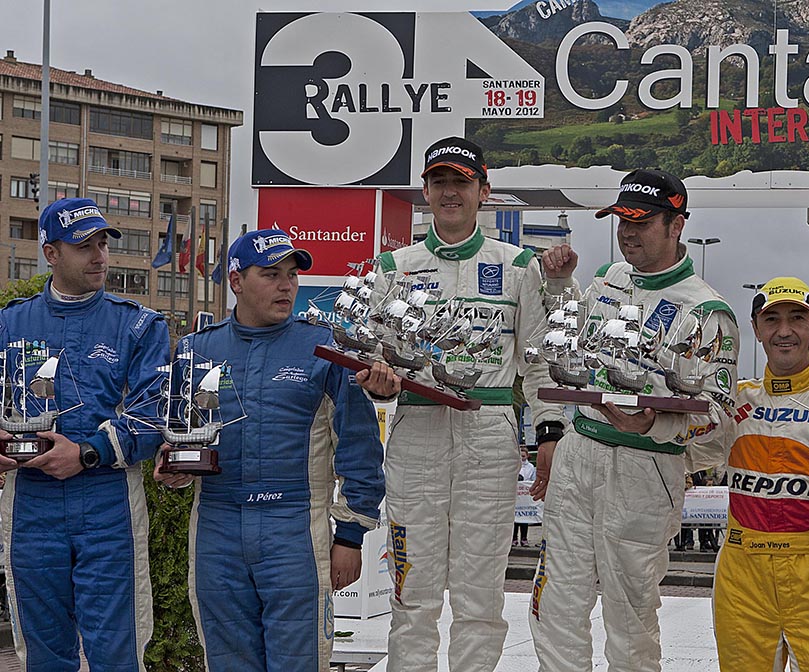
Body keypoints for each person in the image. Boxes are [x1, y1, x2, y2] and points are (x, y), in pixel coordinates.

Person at [358, 137, 566, 672]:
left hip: (490, 432)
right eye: (440, 182)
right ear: (425, 192)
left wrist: (548, 434)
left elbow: (540, 364)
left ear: (484, 192)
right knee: (413, 596)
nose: (450, 192)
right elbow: (369, 357)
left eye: (462, 183)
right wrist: (376, 383)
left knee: (480, 599)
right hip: (417, 431)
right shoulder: (391, 267)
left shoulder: (520, 266)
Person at [530, 169, 740, 672]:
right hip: (580, 453)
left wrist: (653, 426)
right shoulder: (605, 280)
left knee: (629, 620)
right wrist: (559, 284)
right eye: (621, 219)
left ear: (676, 225)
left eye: (641, 222)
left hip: (645, 469)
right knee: (554, 606)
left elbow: (720, 419)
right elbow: (568, 349)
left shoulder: (707, 310)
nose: (627, 232)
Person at [155, 229, 385, 671]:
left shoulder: (328, 349)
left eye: (292, 275)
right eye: (271, 274)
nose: (286, 285)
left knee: (298, 662)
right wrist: (173, 466)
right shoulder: (196, 349)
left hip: (294, 528)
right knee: (227, 662)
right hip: (217, 525)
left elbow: (359, 448)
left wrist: (351, 536)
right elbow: (181, 438)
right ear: (237, 281)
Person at [0, 198, 169, 670]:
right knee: (41, 651)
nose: (99, 256)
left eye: (102, 245)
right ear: (50, 253)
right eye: (83, 247)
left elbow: (157, 409)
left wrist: (88, 453)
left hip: (107, 504)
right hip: (29, 504)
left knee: (117, 650)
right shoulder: (8, 322)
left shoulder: (138, 324)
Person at [697, 277, 809, 672]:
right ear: (755, 328)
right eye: (771, 319)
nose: (784, 331)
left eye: (797, 318)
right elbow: (688, 456)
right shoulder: (734, 401)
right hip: (742, 572)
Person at [515, 446, 537, 547]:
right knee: (515, 516)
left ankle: (524, 538)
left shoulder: (531, 467)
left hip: (525, 495)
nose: (522, 457)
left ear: (527, 456)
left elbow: (533, 479)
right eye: (521, 455)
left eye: (524, 456)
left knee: (525, 517)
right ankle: (514, 538)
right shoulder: (515, 465)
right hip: (517, 494)